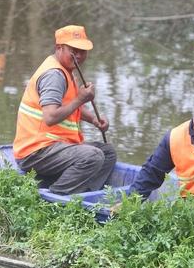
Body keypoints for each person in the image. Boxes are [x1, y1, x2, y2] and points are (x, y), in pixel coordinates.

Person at [13, 25, 116, 195]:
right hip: (35, 151)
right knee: (93, 156)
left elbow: (66, 105)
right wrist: (81, 98)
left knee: (108, 152)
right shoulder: (54, 75)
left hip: (54, 146)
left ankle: (84, 195)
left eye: (83, 51)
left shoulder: (66, 70)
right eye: (73, 50)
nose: (79, 56)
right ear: (59, 48)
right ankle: (56, 197)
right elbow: (50, 116)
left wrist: (93, 119)